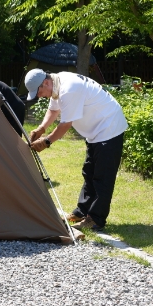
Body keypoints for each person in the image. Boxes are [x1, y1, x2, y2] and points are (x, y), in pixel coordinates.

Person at [23, 68, 127, 232]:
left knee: (102, 177)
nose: (39, 96)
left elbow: (65, 124)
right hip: (96, 132)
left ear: (46, 82)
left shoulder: (69, 88)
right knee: (89, 171)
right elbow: (53, 110)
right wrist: (41, 128)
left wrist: (47, 141)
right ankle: (82, 212)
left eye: (40, 91)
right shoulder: (57, 82)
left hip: (109, 128)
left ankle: (96, 219)